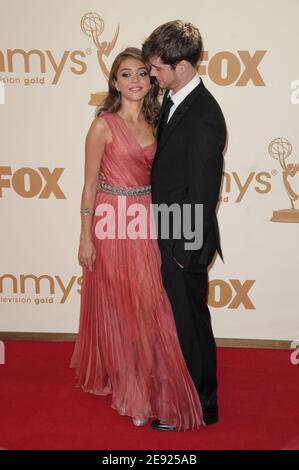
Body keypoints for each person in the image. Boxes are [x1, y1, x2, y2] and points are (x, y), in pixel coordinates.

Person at [70, 47, 204, 431]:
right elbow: (90, 185)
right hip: (110, 224)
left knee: (147, 310)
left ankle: (143, 386)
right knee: (121, 310)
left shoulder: (157, 122)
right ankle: (132, 392)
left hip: (146, 220)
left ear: (151, 80)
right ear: (115, 81)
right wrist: (84, 237)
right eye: (126, 74)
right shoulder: (102, 125)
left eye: (142, 74)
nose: (134, 81)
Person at [142, 21, 227, 431]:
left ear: (182, 65)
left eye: (157, 67)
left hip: (184, 240)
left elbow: (203, 191)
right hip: (170, 232)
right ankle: (194, 398)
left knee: (190, 325)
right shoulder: (176, 100)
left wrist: (183, 249)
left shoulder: (205, 115)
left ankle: (199, 407)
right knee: (187, 321)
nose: (150, 74)